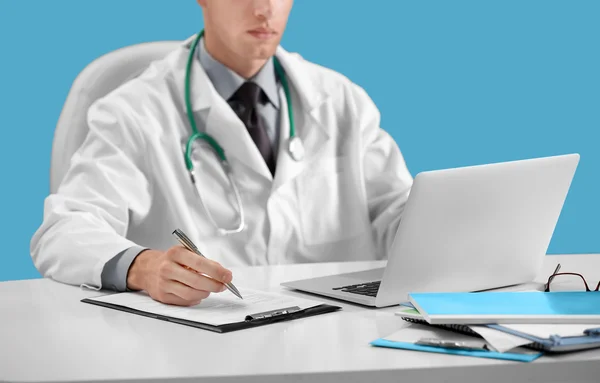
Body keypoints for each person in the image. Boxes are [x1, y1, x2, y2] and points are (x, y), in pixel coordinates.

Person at [30, 0, 413, 306]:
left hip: (334, 338)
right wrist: (144, 268)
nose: (265, 8)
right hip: (199, 344)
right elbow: (63, 232)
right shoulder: (136, 110)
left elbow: (401, 213)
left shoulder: (340, 100)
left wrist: (456, 237)